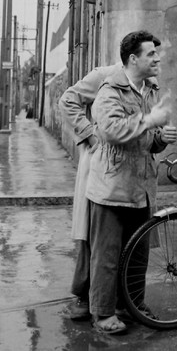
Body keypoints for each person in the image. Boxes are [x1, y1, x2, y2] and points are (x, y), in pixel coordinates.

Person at [86, 30, 177, 334]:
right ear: (133, 58)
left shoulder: (149, 90)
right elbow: (112, 130)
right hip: (112, 188)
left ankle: (133, 304)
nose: (157, 59)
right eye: (151, 54)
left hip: (141, 187)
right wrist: (151, 121)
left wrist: (161, 139)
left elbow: (146, 141)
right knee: (108, 256)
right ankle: (102, 312)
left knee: (138, 254)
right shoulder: (109, 90)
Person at [59, 62, 122, 321]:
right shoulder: (104, 75)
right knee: (91, 233)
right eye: (149, 52)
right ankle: (83, 295)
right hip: (98, 164)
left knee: (119, 237)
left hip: (125, 172)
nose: (155, 59)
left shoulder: (146, 83)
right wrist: (90, 135)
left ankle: (120, 299)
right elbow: (68, 100)